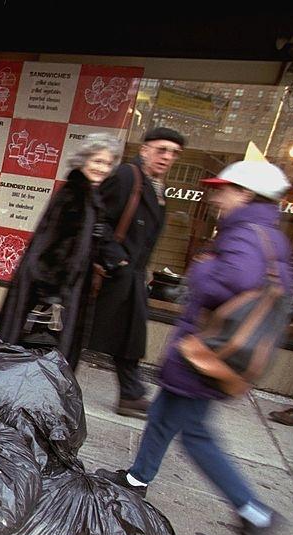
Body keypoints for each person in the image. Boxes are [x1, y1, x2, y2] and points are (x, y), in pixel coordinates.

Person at [96, 160, 293, 535]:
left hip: (208, 352)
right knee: (164, 413)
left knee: (196, 435)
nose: (216, 196)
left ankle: (254, 512)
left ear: (245, 194)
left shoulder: (245, 234)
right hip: (213, 350)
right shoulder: (268, 234)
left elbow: (232, 281)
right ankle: (137, 479)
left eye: (224, 190)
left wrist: (201, 272)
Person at [0, 133, 122, 369]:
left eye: (107, 163)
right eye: (97, 161)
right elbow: (52, 247)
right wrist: (51, 296)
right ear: (83, 160)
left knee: (35, 357)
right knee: (37, 356)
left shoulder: (89, 194)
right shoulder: (75, 194)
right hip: (51, 290)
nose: (102, 168)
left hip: (61, 288)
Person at [87, 127, 186, 418]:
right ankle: (44, 377)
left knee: (130, 335)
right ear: (145, 150)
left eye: (173, 153)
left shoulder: (155, 185)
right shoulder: (127, 176)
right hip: (109, 274)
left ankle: (131, 394)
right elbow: (96, 216)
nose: (167, 157)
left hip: (130, 276)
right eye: (161, 149)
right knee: (78, 331)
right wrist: (117, 260)